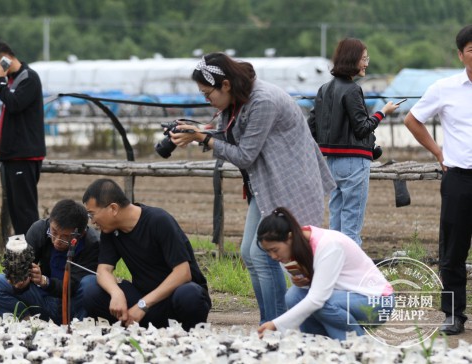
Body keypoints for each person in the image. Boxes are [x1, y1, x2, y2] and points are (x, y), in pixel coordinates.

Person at [169, 53, 335, 324]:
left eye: (206, 93)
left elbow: (245, 154)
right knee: (250, 251)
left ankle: (277, 323)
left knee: (263, 252)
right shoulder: (238, 99)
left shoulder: (262, 100)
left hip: (290, 183)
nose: (205, 99)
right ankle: (272, 321)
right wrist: (198, 131)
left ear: (225, 85)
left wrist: (202, 138)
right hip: (266, 183)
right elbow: (227, 134)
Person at [403, 25, 472, 336]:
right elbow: (412, 119)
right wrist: (438, 152)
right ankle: (453, 314)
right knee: (454, 249)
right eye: (471, 49)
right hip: (459, 177)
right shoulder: (444, 88)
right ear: (461, 55)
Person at [80, 178, 211, 331]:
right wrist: (116, 293)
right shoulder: (110, 231)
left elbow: (183, 273)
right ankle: (132, 328)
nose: (92, 221)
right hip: (144, 301)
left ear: (113, 208)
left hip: (174, 300)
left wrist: (143, 304)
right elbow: (103, 270)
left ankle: (191, 334)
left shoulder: (159, 220)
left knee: (189, 294)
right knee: (90, 288)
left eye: (92, 214)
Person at [308, 38, 400, 246]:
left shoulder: (324, 89)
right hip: (354, 163)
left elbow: (312, 126)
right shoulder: (352, 90)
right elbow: (362, 128)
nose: (367, 63)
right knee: (351, 229)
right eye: (364, 59)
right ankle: (351, 275)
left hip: (330, 163)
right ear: (353, 60)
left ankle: (334, 272)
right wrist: (382, 113)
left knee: (336, 226)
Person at [256, 207, 394, 341]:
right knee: (294, 296)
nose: (273, 256)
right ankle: (319, 345)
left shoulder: (329, 245)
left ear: (289, 237)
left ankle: (356, 346)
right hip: (343, 297)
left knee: (322, 303)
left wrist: (276, 324)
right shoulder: (291, 251)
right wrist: (303, 282)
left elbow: (317, 299)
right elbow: (306, 293)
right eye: (268, 252)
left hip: (377, 302)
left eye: (274, 250)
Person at [0, 199, 99, 324]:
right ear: (50, 221)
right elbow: (22, 267)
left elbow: (74, 286)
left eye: (66, 237)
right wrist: (20, 281)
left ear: (80, 234)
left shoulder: (92, 244)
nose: (57, 240)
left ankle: (80, 330)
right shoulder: (39, 229)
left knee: (91, 285)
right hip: (42, 299)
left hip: (72, 304)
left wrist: (45, 281)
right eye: (54, 232)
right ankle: (26, 324)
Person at [0, 41, 46, 236]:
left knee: (25, 212)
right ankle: (21, 259)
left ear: (6, 58)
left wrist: (0, 82)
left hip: (24, 156)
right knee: (16, 212)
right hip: (12, 156)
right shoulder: (13, 80)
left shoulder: (29, 78)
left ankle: (33, 259)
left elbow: (15, 104)